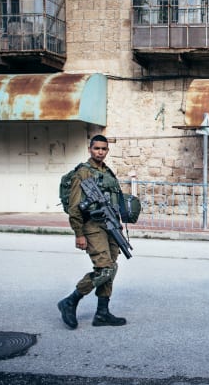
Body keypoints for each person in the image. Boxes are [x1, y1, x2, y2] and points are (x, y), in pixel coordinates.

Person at [57, 135, 127, 329]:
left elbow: (114, 202)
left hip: (111, 226)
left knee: (111, 268)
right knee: (104, 268)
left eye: (104, 149)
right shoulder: (83, 173)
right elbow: (74, 207)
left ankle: (102, 313)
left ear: (107, 150)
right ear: (90, 149)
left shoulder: (108, 172)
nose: (100, 152)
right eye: (96, 148)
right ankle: (70, 301)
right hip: (92, 226)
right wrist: (79, 233)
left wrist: (119, 226)